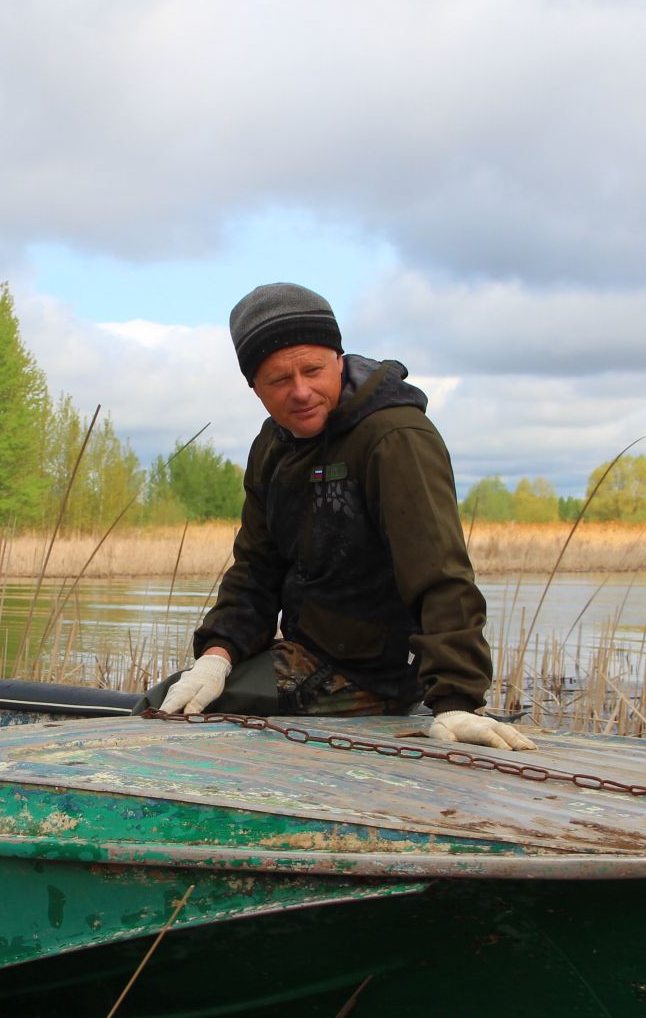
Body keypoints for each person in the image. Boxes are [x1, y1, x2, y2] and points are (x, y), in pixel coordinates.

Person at [146, 283, 534, 751]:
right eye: (278, 380)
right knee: (170, 701)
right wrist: (216, 656)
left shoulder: (394, 437)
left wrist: (456, 701)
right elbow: (255, 571)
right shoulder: (273, 445)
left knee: (176, 718)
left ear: (339, 358)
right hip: (308, 654)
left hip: (378, 675)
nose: (301, 392)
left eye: (313, 370)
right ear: (253, 387)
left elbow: (441, 574)